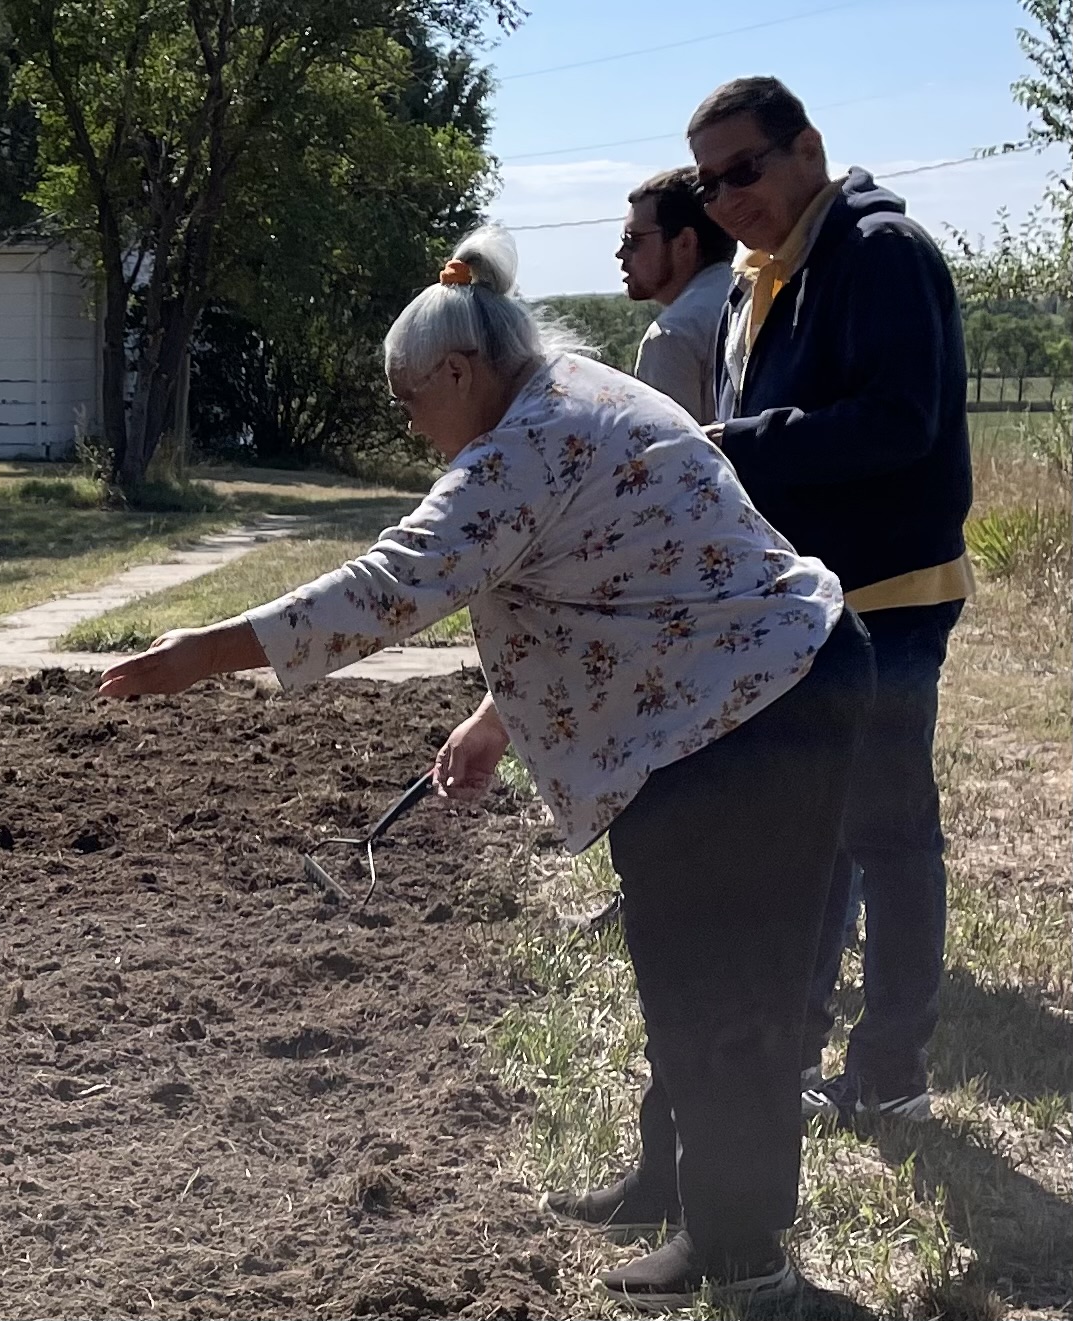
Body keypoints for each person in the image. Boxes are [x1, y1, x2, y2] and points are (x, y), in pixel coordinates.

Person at [97, 229, 867, 1310]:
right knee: (680, 961)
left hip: (753, 711)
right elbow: (602, 581)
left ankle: (742, 1253)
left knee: (725, 983)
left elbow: (389, 585)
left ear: (457, 371)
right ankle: (671, 1182)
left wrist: (202, 653)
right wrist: (495, 719)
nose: (413, 430)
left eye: (410, 404)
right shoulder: (566, 392)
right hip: (726, 693)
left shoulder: (523, 447)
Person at [687, 77, 972, 1128]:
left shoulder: (879, 250)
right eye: (706, 185)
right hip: (801, 602)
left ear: (805, 147)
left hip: (885, 596)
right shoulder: (755, 273)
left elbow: (900, 421)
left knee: (885, 835)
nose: (725, 198)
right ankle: (793, 1053)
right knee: (813, 833)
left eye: (741, 170)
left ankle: (889, 1075)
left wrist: (737, 446)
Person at [617, 165, 736, 424]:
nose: (620, 254)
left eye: (632, 240)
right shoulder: (752, 299)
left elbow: (666, 445)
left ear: (684, 243)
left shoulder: (671, 335)